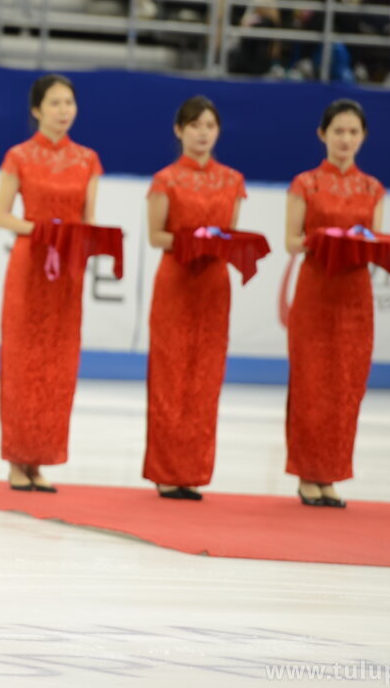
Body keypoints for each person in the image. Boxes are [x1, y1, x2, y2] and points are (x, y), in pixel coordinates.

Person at [0, 75, 102, 493]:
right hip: (31, 264)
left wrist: (82, 238)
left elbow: (89, 220)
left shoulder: (88, 159)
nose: (63, 110)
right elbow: (3, 215)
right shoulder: (19, 155)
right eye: (55, 103)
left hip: (67, 271)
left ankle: (39, 460)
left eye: (69, 102)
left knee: (58, 364)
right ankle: (16, 460)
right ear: (37, 109)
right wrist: (41, 228)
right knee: (22, 361)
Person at [143, 97, 247, 500]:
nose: (203, 133)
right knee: (170, 376)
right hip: (176, 280)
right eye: (195, 125)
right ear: (179, 130)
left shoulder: (232, 180)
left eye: (210, 126)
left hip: (213, 285)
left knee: (205, 377)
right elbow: (157, 236)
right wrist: (192, 241)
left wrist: (219, 243)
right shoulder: (166, 179)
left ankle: (193, 470)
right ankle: (166, 471)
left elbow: (230, 232)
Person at [284, 99, 385, 509]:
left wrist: (362, 245)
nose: (345, 139)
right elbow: (291, 240)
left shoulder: (372, 188)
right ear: (322, 135)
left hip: (355, 296)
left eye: (353, 132)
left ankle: (331, 474)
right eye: (338, 131)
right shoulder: (305, 183)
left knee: (346, 386)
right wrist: (323, 240)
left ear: (363, 138)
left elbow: (375, 241)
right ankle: (308, 474)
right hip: (316, 290)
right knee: (311, 383)